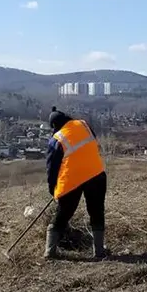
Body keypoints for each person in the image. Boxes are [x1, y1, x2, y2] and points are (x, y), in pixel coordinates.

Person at [45, 107, 109, 259]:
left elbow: (52, 168)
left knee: (63, 214)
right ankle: (99, 252)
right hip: (96, 174)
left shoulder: (57, 139)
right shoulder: (84, 125)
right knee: (96, 212)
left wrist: (52, 189)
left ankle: (50, 252)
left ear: (54, 126)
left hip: (72, 180)